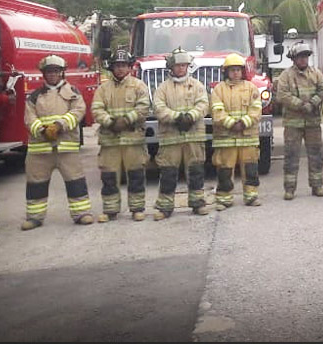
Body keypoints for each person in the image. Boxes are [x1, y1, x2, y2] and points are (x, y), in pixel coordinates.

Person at [21, 54, 93, 230]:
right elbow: (29, 118)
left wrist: (59, 125)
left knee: (75, 181)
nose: (52, 75)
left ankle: (81, 214)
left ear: (62, 73)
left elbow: (78, 111)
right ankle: (35, 217)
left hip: (66, 148)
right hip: (40, 150)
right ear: (43, 74)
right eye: (49, 72)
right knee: (36, 183)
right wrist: (42, 129)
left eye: (56, 71)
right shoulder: (35, 96)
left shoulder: (73, 93)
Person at [90, 49, 151, 222]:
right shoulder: (103, 89)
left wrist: (126, 121)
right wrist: (110, 122)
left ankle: (137, 209)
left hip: (133, 139)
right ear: (112, 68)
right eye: (117, 66)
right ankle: (110, 210)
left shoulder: (139, 86)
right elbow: (96, 109)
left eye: (124, 65)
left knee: (136, 175)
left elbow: (143, 107)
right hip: (110, 141)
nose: (120, 69)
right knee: (109, 177)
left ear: (130, 67)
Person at [152, 47, 210, 218]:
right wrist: (177, 118)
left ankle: (198, 203)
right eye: (177, 65)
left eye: (184, 65)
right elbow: (159, 108)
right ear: (171, 67)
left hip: (194, 136)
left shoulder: (197, 85)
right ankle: (164, 207)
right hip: (171, 138)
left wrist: (191, 116)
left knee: (196, 170)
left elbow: (203, 104)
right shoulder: (163, 88)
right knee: (168, 172)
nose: (181, 68)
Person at [276, 41, 323, 200]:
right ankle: (290, 189)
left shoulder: (316, 73)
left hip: (312, 123)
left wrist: (312, 103)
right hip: (293, 123)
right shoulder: (286, 76)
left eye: (305, 56)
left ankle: (317, 186)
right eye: (300, 57)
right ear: (294, 59)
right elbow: (282, 95)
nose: (303, 59)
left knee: (316, 155)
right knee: (291, 155)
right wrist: (300, 105)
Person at [211, 53, 263, 209]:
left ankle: (251, 196)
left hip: (248, 137)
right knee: (225, 169)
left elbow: (256, 109)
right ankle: (224, 199)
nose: (235, 73)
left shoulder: (251, 88)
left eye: (238, 70)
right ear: (226, 72)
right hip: (226, 138)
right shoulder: (219, 90)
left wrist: (243, 123)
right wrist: (231, 124)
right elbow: (216, 111)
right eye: (232, 70)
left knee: (250, 168)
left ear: (243, 71)